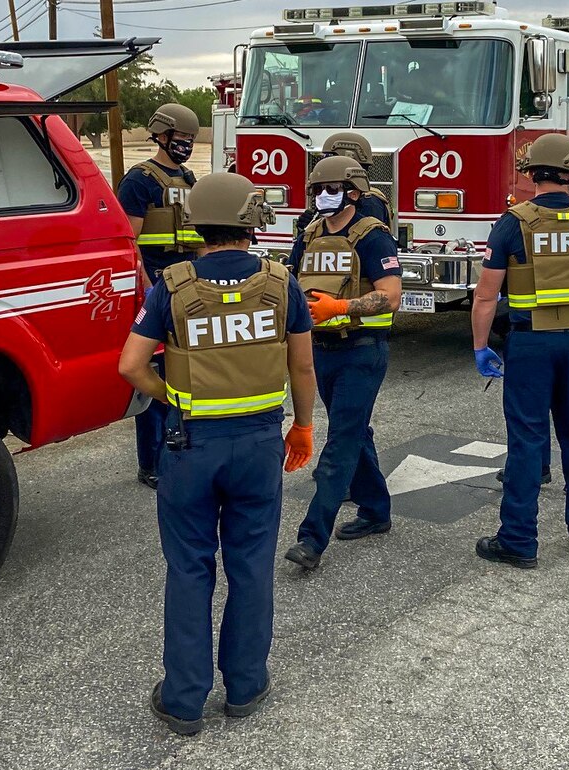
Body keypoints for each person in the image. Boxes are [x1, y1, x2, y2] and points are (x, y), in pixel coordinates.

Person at [118, 172, 316, 735]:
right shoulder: (281, 284)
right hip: (258, 444)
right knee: (251, 566)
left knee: (189, 568)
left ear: (194, 221)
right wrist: (301, 427)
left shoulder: (173, 286)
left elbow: (130, 366)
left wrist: (173, 397)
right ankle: (246, 685)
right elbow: (301, 366)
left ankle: (183, 698)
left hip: (191, 443)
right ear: (252, 221)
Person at [470, 133, 569, 568]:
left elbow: (484, 295)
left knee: (528, 440)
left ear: (531, 173)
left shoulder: (514, 223)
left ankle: (518, 539)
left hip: (530, 343)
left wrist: (480, 346)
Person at [284, 156, 402, 571]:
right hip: (321, 350)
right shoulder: (310, 233)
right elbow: (291, 282)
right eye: (316, 189)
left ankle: (312, 538)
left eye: (330, 189)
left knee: (340, 443)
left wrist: (343, 306)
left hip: (362, 349)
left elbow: (390, 294)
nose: (321, 196)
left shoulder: (372, 237)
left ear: (354, 192)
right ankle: (375, 510)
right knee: (355, 432)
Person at [117, 103, 204, 490]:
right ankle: (150, 463)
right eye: (180, 139)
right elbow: (127, 241)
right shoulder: (139, 181)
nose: (185, 146)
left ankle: (178, 448)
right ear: (162, 135)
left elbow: (200, 239)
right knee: (152, 376)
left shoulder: (188, 179)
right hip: (156, 284)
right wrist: (145, 287)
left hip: (186, 283)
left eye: (189, 140)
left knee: (184, 370)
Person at [294, 131, 392, 239]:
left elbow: (357, 243)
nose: (325, 163)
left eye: (329, 157)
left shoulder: (370, 203)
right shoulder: (352, 198)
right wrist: (309, 232)